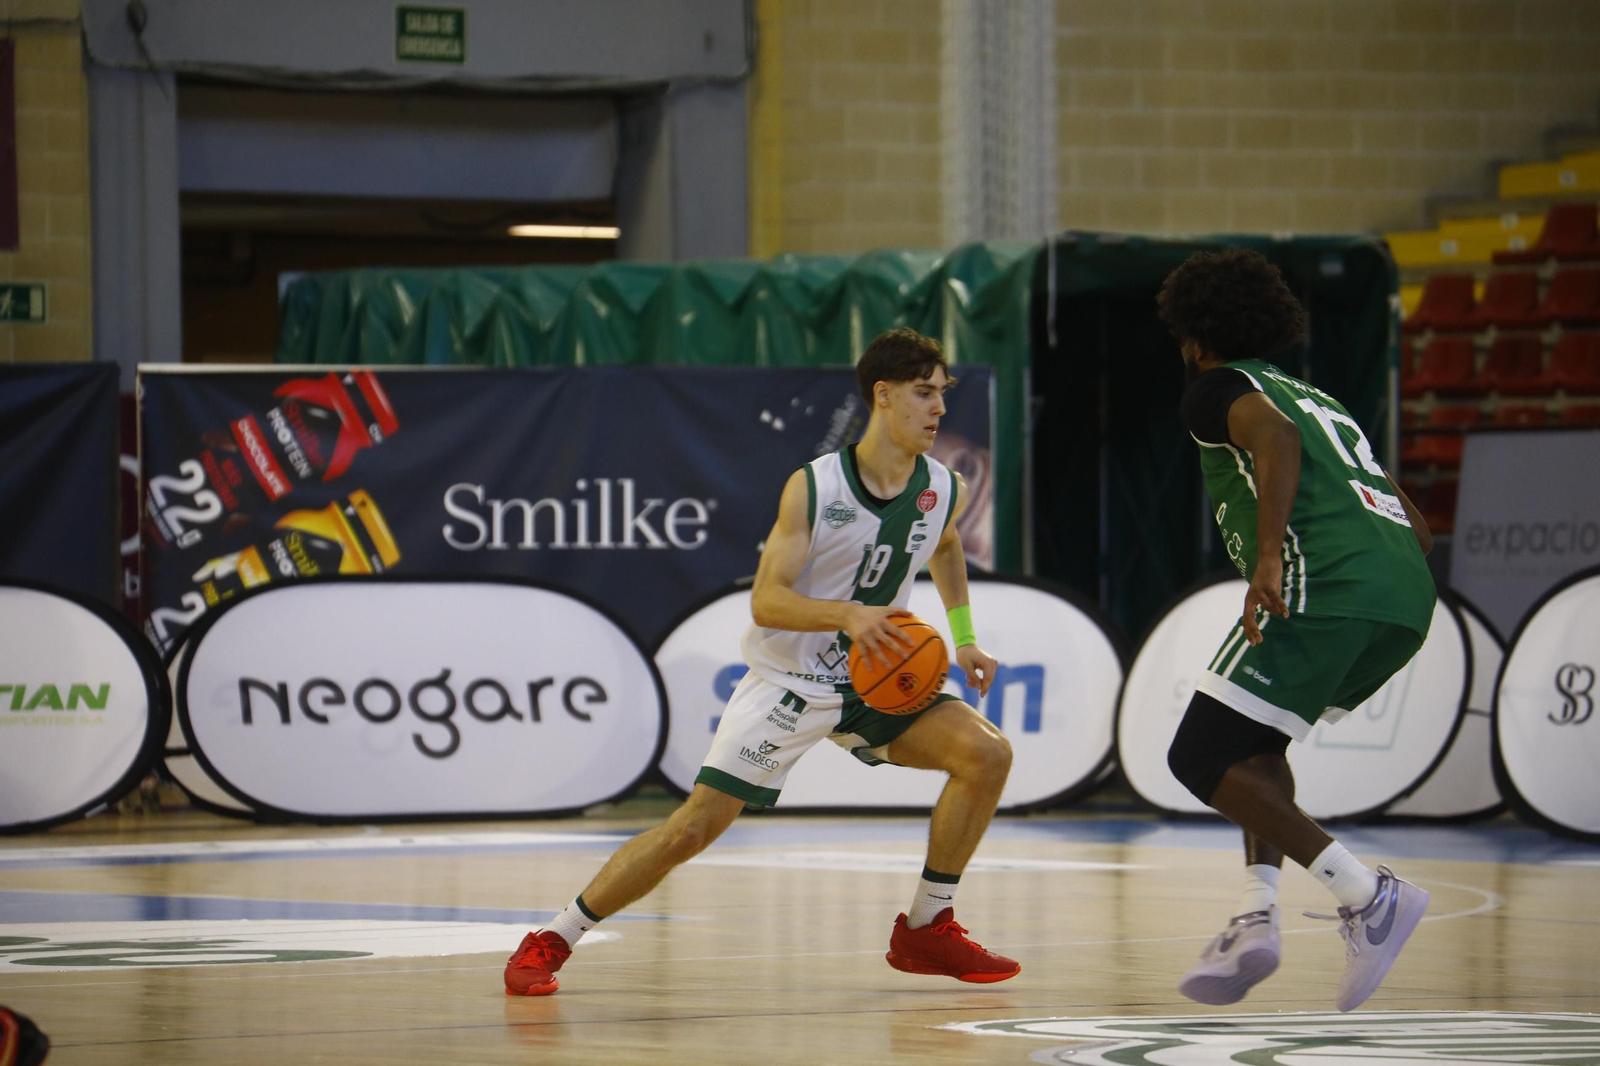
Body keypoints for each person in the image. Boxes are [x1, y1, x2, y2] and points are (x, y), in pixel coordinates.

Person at [504, 327, 1019, 996]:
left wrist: (965, 636)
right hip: (790, 681)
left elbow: (945, 544)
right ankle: (552, 938)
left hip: (874, 678)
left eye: (943, 393)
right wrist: (847, 615)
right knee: (690, 830)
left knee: (987, 755)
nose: (940, 408)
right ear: (883, 395)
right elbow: (767, 601)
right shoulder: (815, 488)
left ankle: (926, 926)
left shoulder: (943, 487)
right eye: (924, 393)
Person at [1155, 250, 1435, 1013]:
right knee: (1255, 747)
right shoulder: (1319, 400)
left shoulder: (1217, 389)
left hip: (1327, 584)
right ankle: (1256, 917)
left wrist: (1271, 557)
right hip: (1405, 595)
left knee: (1197, 755)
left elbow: (1274, 441)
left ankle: (1368, 895)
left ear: (1194, 338)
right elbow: (1416, 527)